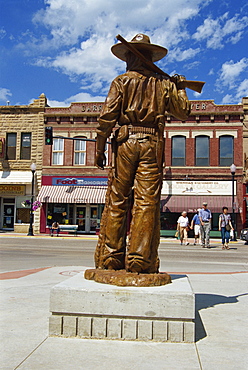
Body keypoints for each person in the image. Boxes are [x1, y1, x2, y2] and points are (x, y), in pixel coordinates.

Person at [94, 34, 190, 273]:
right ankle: (141, 258)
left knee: (118, 199)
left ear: (133, 57)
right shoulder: (163, 84)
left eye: (128, 55)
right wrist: (179, 88)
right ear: (148, 57)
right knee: (146, 202)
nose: (126, 60)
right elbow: (183, 112)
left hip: (126, 142)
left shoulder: (121, 82)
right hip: (152, 143)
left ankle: (110, 258)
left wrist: (100, 147)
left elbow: (107, 118)